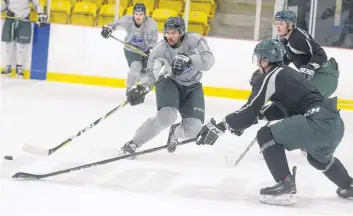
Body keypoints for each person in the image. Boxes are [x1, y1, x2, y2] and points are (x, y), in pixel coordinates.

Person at [196, 39, 352, 205]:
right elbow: (281, 109)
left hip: (316, 123)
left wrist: (222, 124)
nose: (257, 63)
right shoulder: (289, 74)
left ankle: (285, 185)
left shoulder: (270, 76)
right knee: (318, 159)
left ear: (265, 59)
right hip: (333, 123)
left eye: (259, 59)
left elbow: (250, 110)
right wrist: (244, 121)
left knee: (266, 135)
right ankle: (349, 185)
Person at [119, 16, 215, 155]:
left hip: (193, 86)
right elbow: (152, 75)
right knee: (167, 116)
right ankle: (133, 143)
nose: (169, 36)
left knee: (194, 130)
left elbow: (209, 61)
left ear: (182, 32)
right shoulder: (160, 50)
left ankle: (175, 132)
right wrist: (142, 87)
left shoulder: (195, 40)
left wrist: (189, 60)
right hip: (170, 81)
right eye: (167, 32)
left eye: (174, 33)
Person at [274, 9, 340, 99]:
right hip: (319, 76)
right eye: (276, 23)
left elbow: (321, 55)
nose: (278, 26)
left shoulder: (297, 38)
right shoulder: (287, 41)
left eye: (281, 23)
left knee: (300, 101)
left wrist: (310, 66)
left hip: (325, 76)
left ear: (290, 24)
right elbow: (285, 60)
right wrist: (268, 70)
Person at [100, 3, 158, 93]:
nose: (138, 17)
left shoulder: (152, 24)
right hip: (130, 48)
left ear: (145, 15)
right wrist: (108, 28)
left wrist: (151, 49)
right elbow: (115, 23)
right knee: (136, 66)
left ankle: (134, 83)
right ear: (133, 14)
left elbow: (153, 39)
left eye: (141, 14)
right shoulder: (128, 20)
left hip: (144, 51)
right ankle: (129, 89)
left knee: (143, 74)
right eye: (136, 14)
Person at [1, 0, 47, 78]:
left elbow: (37, 4)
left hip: (24, 19)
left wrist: (41, 14)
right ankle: (8, 67)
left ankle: (19, 68)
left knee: (21, 45)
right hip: (10, 18)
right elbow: (5, 4)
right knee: (9, 44)